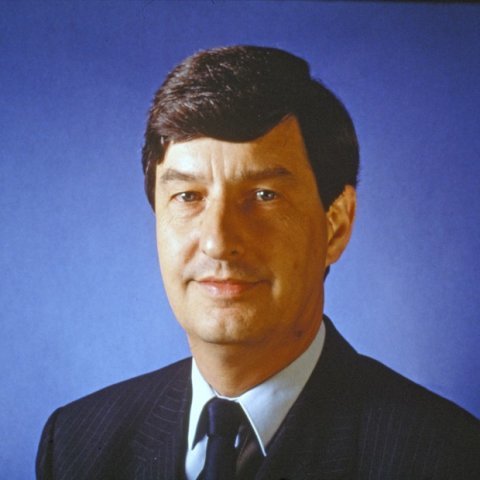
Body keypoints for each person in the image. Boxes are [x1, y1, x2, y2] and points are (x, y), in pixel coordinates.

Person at [36, 45, 479, 480]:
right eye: (188, 196)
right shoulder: (77, 444)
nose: (218, 242)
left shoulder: (446, 457)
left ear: (336, 225)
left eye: (264, 195)